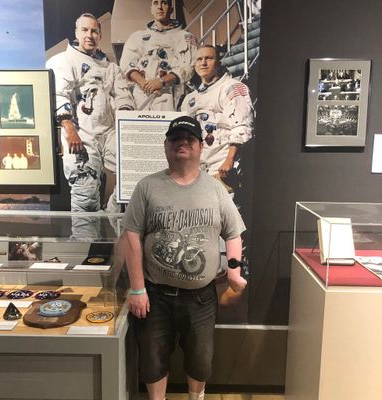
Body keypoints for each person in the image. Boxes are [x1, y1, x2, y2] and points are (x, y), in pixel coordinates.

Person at [122, 116, 247, 400]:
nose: (182, 143)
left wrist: (233, 272)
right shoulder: (147, 186)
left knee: (200, 359)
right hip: (155, 295)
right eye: (175, 138)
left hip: (201, 297)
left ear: (200, 146)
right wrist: (138, 288)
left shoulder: (216, 189)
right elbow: (132, 236)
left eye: (189, 139)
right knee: (152, 360)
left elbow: (233, 233)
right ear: (166, 145)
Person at [46, 13, 135, 212]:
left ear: (100, 35)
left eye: (94, 31)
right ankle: (88, 231)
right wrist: (70, 130)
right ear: (76, 33)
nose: (89, 35)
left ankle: (110, 215)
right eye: (84, 30)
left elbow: (124, 98)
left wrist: (126, 127)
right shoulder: (64, 61)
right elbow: (60, 94)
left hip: (110, 132)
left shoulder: (111, 68)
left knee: (133, 172)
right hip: (82, 134)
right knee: (85, 196)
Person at [181, 45, 253, 182]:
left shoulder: (232, 88)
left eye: (208, 58)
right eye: (199, 59)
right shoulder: (190, 99)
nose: (203, 63)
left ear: (218, 63)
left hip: (222, 166)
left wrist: (229, 160)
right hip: (198, 169)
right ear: (194, 65)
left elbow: (241, 126)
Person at [120, 0, 197, 111]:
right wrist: (145, 84)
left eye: (164, 3)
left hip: (170, 93)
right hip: (141, 93)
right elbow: (127, 64)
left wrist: (161, 82)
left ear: (171, 9)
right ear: (151, 8)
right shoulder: (137, 37)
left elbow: (188, 68)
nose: (160, 7)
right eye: (156, 3)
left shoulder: (185, 37)